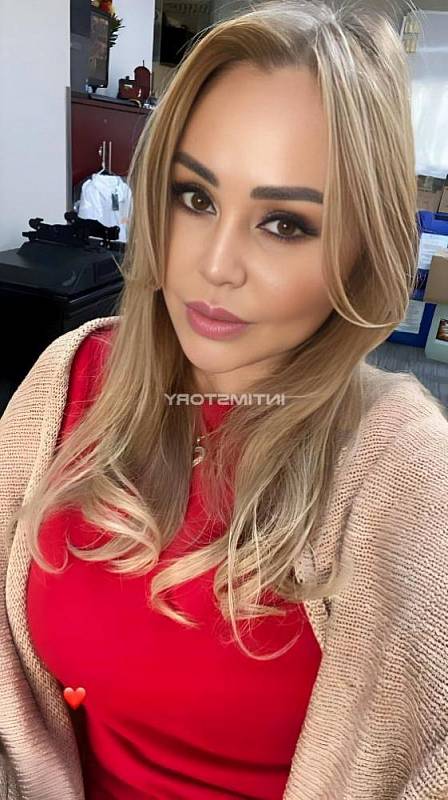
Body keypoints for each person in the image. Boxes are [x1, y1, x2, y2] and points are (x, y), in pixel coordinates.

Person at [1, 1, 447, 798]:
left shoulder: (405, 474)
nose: (215, 264)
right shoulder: (68, 379)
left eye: (285, 224)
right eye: (196, 198)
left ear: (361, 251)